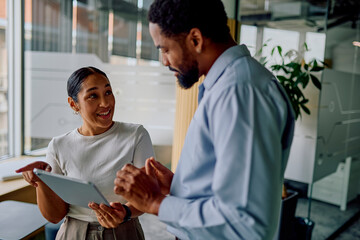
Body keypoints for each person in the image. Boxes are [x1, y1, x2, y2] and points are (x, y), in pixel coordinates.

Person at [112, 0, 296, 239]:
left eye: (165, 49)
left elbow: (246, 221)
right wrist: (183, 186)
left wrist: (155, 202)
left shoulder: (239, 92)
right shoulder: (228, 86)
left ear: (195, 39)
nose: (165, 61)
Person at [16, 66, 154, 240]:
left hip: (123, 230)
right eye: (93, 96)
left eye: (108, 92)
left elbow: (149, 194)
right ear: (74, 104)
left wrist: (125, 212)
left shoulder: (136, 135)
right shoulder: (59, 145)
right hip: (74, 233)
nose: (105, 103)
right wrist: (40, 181)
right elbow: (55, 215)